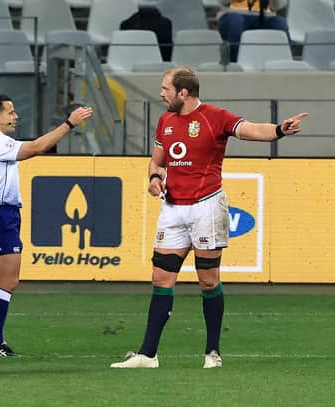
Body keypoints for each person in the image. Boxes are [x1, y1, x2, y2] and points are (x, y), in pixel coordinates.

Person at [110, 66, 307, 369]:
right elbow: (158, 160)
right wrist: (153, 177)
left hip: (207, 207)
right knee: (161, 278)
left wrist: (280, 129)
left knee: (207, 280)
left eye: (166, 89)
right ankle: (148, 355)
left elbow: (253, 130)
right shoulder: (165, 121)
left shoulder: (215, 117)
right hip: (173, 207)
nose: (161, 94)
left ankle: (212, 352)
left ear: (183, 92)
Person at [0, 95, 93, 356]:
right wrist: (68, 124)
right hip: (2, 216)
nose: (16, 116)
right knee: (9, 281)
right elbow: (37, 147)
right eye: (11, 112)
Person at [217, 0, 290, 62]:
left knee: (280, 24)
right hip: (233, 14)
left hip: (265, 16)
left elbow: (277, 6)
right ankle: (234, 64)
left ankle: (285, 65)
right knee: (235, 22)